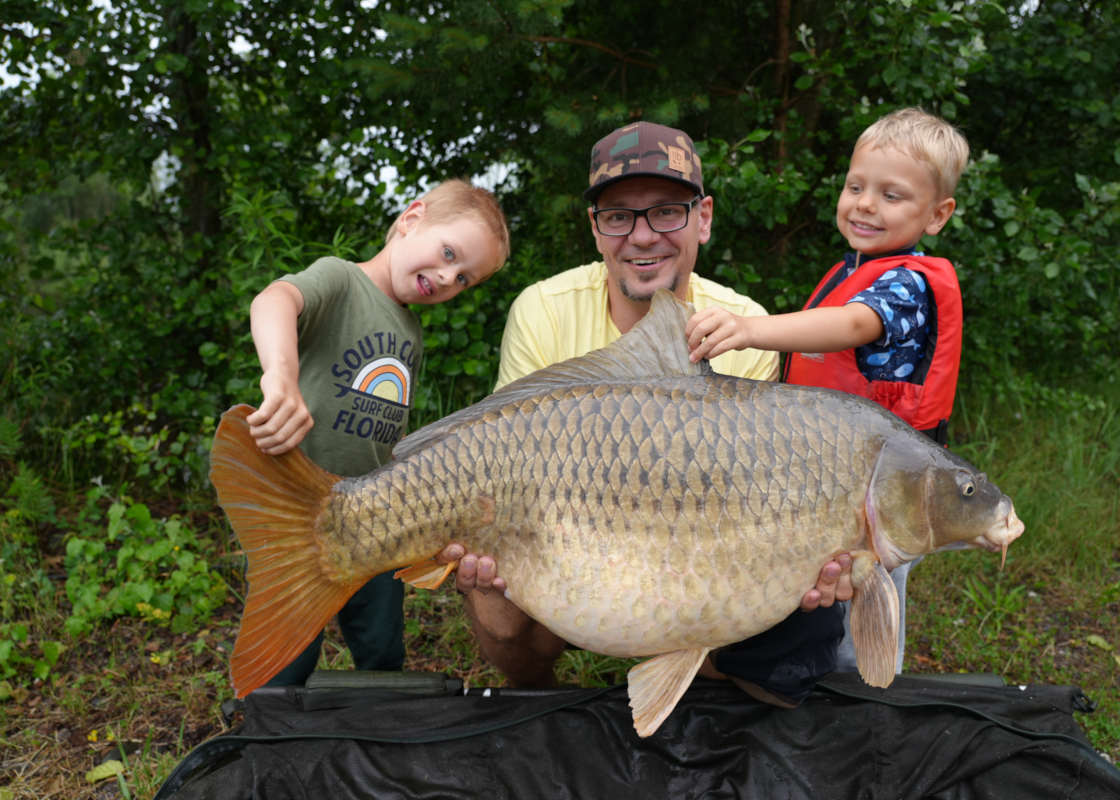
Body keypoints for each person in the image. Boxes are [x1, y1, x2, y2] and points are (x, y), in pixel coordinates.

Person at [440, 121, 855, 703]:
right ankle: (537, 695)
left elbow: (746, 501)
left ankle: (686, 679)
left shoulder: (747, 326)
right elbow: (501, 457)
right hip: (563, 540)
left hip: (695, 545)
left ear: (703, 218)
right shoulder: (543, 311)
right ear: (595, 228)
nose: (642, 237)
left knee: (792, 618)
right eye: (618, 216)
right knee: (493, 591)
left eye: (666, 212)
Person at [685, 107, 970, 674]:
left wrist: (751, 329)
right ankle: (811, 680)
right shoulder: (854, 270)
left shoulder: (905, 284)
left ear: (937, 215)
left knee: (865, 599)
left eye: (891, 195)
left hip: (883, 488)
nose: (865, 204)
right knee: (822, 593)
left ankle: (866, 696)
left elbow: (856, 323)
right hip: (832, 479)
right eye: (856, 187)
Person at [246, 178, 510, 687]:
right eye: (448, 253)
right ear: (411, 219)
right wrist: (280, 374)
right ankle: (272, 719)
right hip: (298, 505)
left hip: (378, 513)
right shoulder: (341, 280)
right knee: (288, 650)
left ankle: (377, 719)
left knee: (382, 644)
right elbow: (274, 300)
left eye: (464, 278)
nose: (448, 277)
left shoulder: (410, 330)